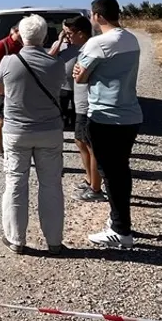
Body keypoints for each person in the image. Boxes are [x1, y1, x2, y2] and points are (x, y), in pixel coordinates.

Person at [73, 0, 143, 248]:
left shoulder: (97, 44)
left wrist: (84, 73)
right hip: (130, 115)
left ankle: (120, 230)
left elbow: (79, 77)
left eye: (93, 15)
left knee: (111, 175)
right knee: (120, 171)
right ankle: (120, 223)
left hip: (105, 117)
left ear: (98, 16)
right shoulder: (131, 39)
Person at [0, 14, 67, 255]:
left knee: (15, 183)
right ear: (45, 36)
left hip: (16, 132)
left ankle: (16, 240)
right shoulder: (56, 64)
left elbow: (0, 90)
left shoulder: (7, 62)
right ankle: (54, 241)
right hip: (50, 131)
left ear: (21, 36)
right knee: (51, 185)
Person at [52, 15, 104, 202]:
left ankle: (96, 189)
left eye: (69, 33)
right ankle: (90, 179)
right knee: (80, 141)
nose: (67, 37)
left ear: (81, 33)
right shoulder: (80, 49)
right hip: (80, 102)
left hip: (88, 104)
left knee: (90, 145)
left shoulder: (90, 50)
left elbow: (85, 75)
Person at [0, 24, 23, 161]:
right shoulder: (2, 45)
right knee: (1, 118)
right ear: (15, 31)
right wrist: (1, 82)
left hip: (18, 88)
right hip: (5, 88)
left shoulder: (22, 45)